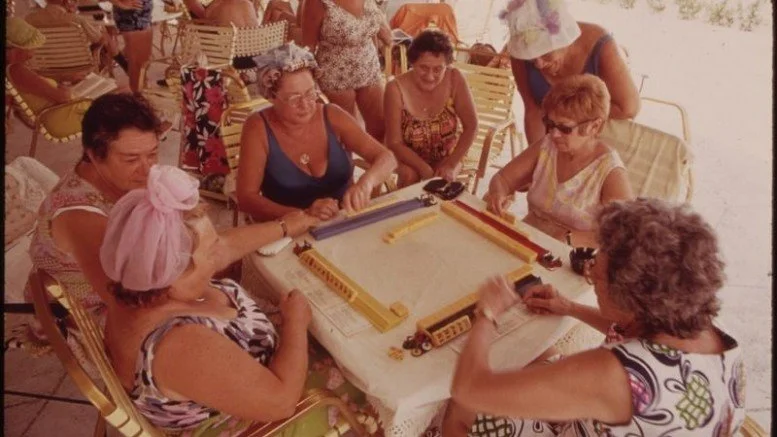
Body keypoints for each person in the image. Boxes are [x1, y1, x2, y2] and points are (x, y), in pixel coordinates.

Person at [101, 165, 373, 435]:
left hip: (246, 378)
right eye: (211, 250)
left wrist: (289, 224)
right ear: (174, 269)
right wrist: (295, 324)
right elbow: (280, 404)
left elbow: (226, 246)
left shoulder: (140, 279)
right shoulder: (179, 344)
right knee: (373, 377)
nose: (219, 255)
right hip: (261, 420)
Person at [445, 198, 746, 436]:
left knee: (460, 407)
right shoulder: (703, 330)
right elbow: (636, 337)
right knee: (535, 354)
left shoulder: (614, 374)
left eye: (596, 277)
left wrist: (487, 313)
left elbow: (469, 389)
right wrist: (569, 307)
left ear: (628, 297)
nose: (590, 278)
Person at [236, 43, 397, 222]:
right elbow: (246, 199)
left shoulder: (332, 115)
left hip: (342, 221)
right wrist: (303, 215)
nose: (305, 105)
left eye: (310, 93)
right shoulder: (257, 127)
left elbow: (387, 158)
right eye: (294, 98)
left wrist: (366, 183)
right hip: (287, 230)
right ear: (271, 97)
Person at [485, 74, 633, 247]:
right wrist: (498, 194)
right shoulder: (548, 146)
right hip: (528, 241)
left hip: (572, 257)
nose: (554, 134)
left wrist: (570, 238)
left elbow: (625, 235)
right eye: (550, 123)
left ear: (595, 126)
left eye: (565, 128)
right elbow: (502, 179)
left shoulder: (609, 171)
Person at [502, 0, 640, 146]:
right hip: (555, 143)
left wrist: (571, 116)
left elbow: (629, 109)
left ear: (563, 39)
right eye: (530, 57)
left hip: (594, 144)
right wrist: (540, 159)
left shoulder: (600, 46)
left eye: (544, 52)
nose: (538, 63)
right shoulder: (521, 53)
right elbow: (533, 111)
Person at [384, 29, 478, 187]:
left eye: (437, 69)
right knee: (409, 176)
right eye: (423, 68)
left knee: (443, 181)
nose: (430, 76)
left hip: (447, 155)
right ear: (412, 62)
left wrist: (451, 164)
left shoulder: (455, 78)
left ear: (446, 66)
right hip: (406, 155)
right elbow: (394, 142)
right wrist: (424, 169)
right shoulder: (394, 88)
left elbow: (472, 126)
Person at [301, 0, 392, 141]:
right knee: (348, 135)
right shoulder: (316, 2)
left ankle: (377, 162)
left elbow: (383, 35)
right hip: (336, 74)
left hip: (369, 68)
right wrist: (310, 87)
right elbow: (307, 49)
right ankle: (348, 162)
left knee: (380, 127)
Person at [5, 18, 93, 141]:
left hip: (58, 113)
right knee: (117, 103)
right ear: (16, 49)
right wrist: (65, 85)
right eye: (31, 47)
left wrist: (65, 78)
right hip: (60, 118)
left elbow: (37, 85)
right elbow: (63, 97)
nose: (33, 53)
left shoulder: (14, 71)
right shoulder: (17, 70)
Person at [25, 0, 128, 74]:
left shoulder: (28, 20)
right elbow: (99, 39)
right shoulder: (76, 20)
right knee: (105, 36)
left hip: (46, 67)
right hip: (79, 67)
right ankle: (124, 64)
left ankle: (124, 64)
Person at [109, 0, 154, 91]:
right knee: (137, 63)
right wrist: (119, 2)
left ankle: (139, 94)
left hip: (144, 14)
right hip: (131, 16)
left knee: (144, 60)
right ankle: (137, 97)